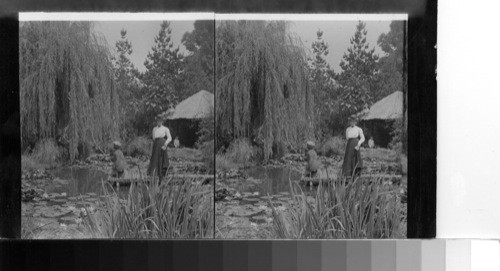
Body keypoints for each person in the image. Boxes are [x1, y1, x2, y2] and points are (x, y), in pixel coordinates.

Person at [147, 117, 172, 181]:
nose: (159, 122)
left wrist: (165, 145)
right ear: (157, 121)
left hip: (162, 144)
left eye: (160, 121)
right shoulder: (154, 129)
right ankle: (154, 177)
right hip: (156, 144)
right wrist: (156, 143)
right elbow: (153, 138)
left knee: (162, 160)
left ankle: (162, 176)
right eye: (158, 121)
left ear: (162, 121)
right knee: (155, 159)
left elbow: (170, 138)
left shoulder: (165, 129)